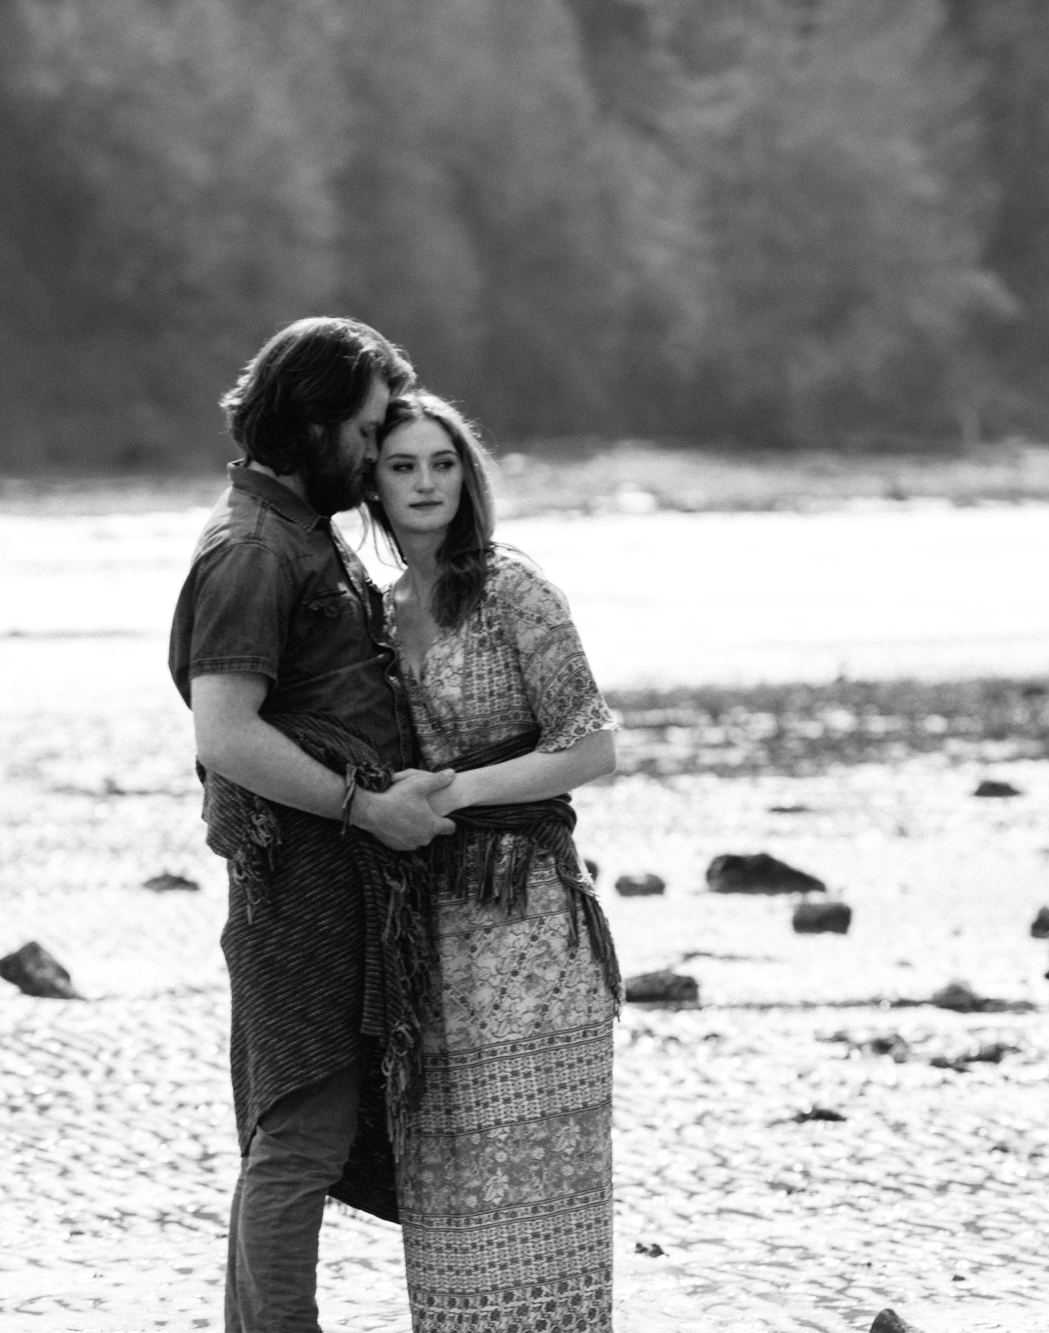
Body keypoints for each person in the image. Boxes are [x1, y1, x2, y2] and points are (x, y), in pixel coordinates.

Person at [167, 317, 458, 1333]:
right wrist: (364, 805)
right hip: (300, 882)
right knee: (300, 1129)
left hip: (336, 880)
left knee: (303, 1131)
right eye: (369, 429)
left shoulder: (299, 533)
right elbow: (226, 731)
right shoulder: (251, 549)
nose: (376, 454)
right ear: (313, 421)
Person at [363, 391, 623, 1331]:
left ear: (467, 478)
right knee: (445, 1187)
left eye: (441, 463)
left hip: (531, 922)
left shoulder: (515, 588)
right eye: (402, 466)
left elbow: (592, 746)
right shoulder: (378, 609)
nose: (425, 483)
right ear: (374, 485)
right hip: (428, 933)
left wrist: (461, 790)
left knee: (543, 1197)